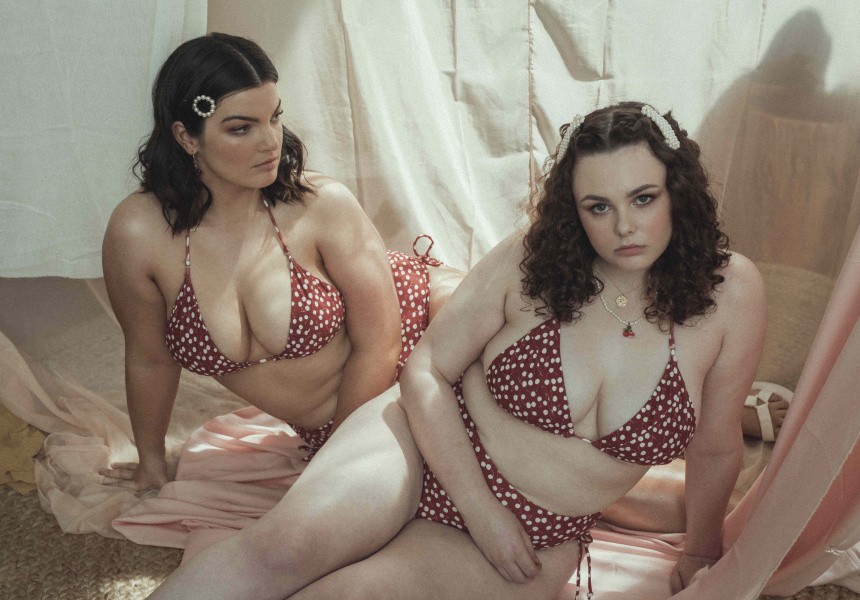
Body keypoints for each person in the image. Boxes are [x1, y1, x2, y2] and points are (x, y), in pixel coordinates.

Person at [145, 101, 767, 600]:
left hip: (540, 530)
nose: (624, 227)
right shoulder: (534, 257)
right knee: (282, 552)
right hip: (420, 443)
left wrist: (701, 550)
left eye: (644, 198)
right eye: (598, 207)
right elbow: (426, 369)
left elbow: (715, 447)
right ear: (575, 211)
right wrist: (480, 509)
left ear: (677, 191)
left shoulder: (731, 292)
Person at [100, 32, 461, 493]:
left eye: (274, 117)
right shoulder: (139, 234)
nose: (271, 141)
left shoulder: (319, 204)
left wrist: (337, 460)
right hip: (347, 421)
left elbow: (380, 344)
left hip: (433, 344)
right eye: (241, 128)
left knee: (504, 479)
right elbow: (150, 358)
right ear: (186, 137)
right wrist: (150, 459)